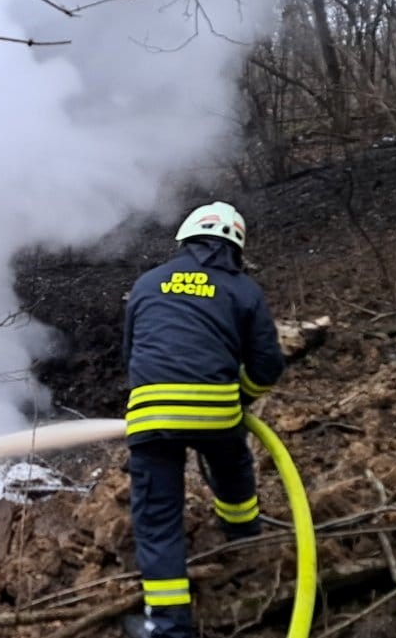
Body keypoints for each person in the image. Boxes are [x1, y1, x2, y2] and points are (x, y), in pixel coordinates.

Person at [121, 200, 286, 638]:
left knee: (158, 519)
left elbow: (131, 353)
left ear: (186, 239)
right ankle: (247, 547)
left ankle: (170, 627)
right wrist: (241, 399)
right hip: (218, 413)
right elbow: (269, 363)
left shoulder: (148, 283)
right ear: (236, 248)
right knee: (233, 471)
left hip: (151, 417)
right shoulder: (243, 290)